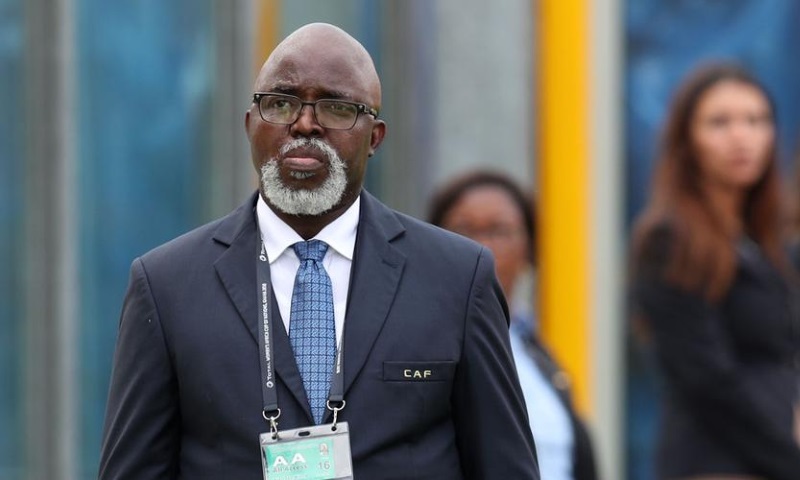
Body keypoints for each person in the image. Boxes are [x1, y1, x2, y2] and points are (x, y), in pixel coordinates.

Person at [98, 23, 539, 479]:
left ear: (375, 137)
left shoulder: (457, 279)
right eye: (281, 102)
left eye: (336, 107)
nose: (304, 124)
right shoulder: (166, 287)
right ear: (250, 125)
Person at [630, 62, 800, 480]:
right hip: (717, 464)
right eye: (719, 122)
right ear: (686, 140)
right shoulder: (670, 240)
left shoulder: (761, 242)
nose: (741, 137)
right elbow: (707, 382)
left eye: (756, 120)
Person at [429, 170, 598, 480]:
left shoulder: (535, 352)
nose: (481, 247)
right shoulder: (420, 348)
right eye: (463, 230)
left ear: (530, 250)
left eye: (500, 231)